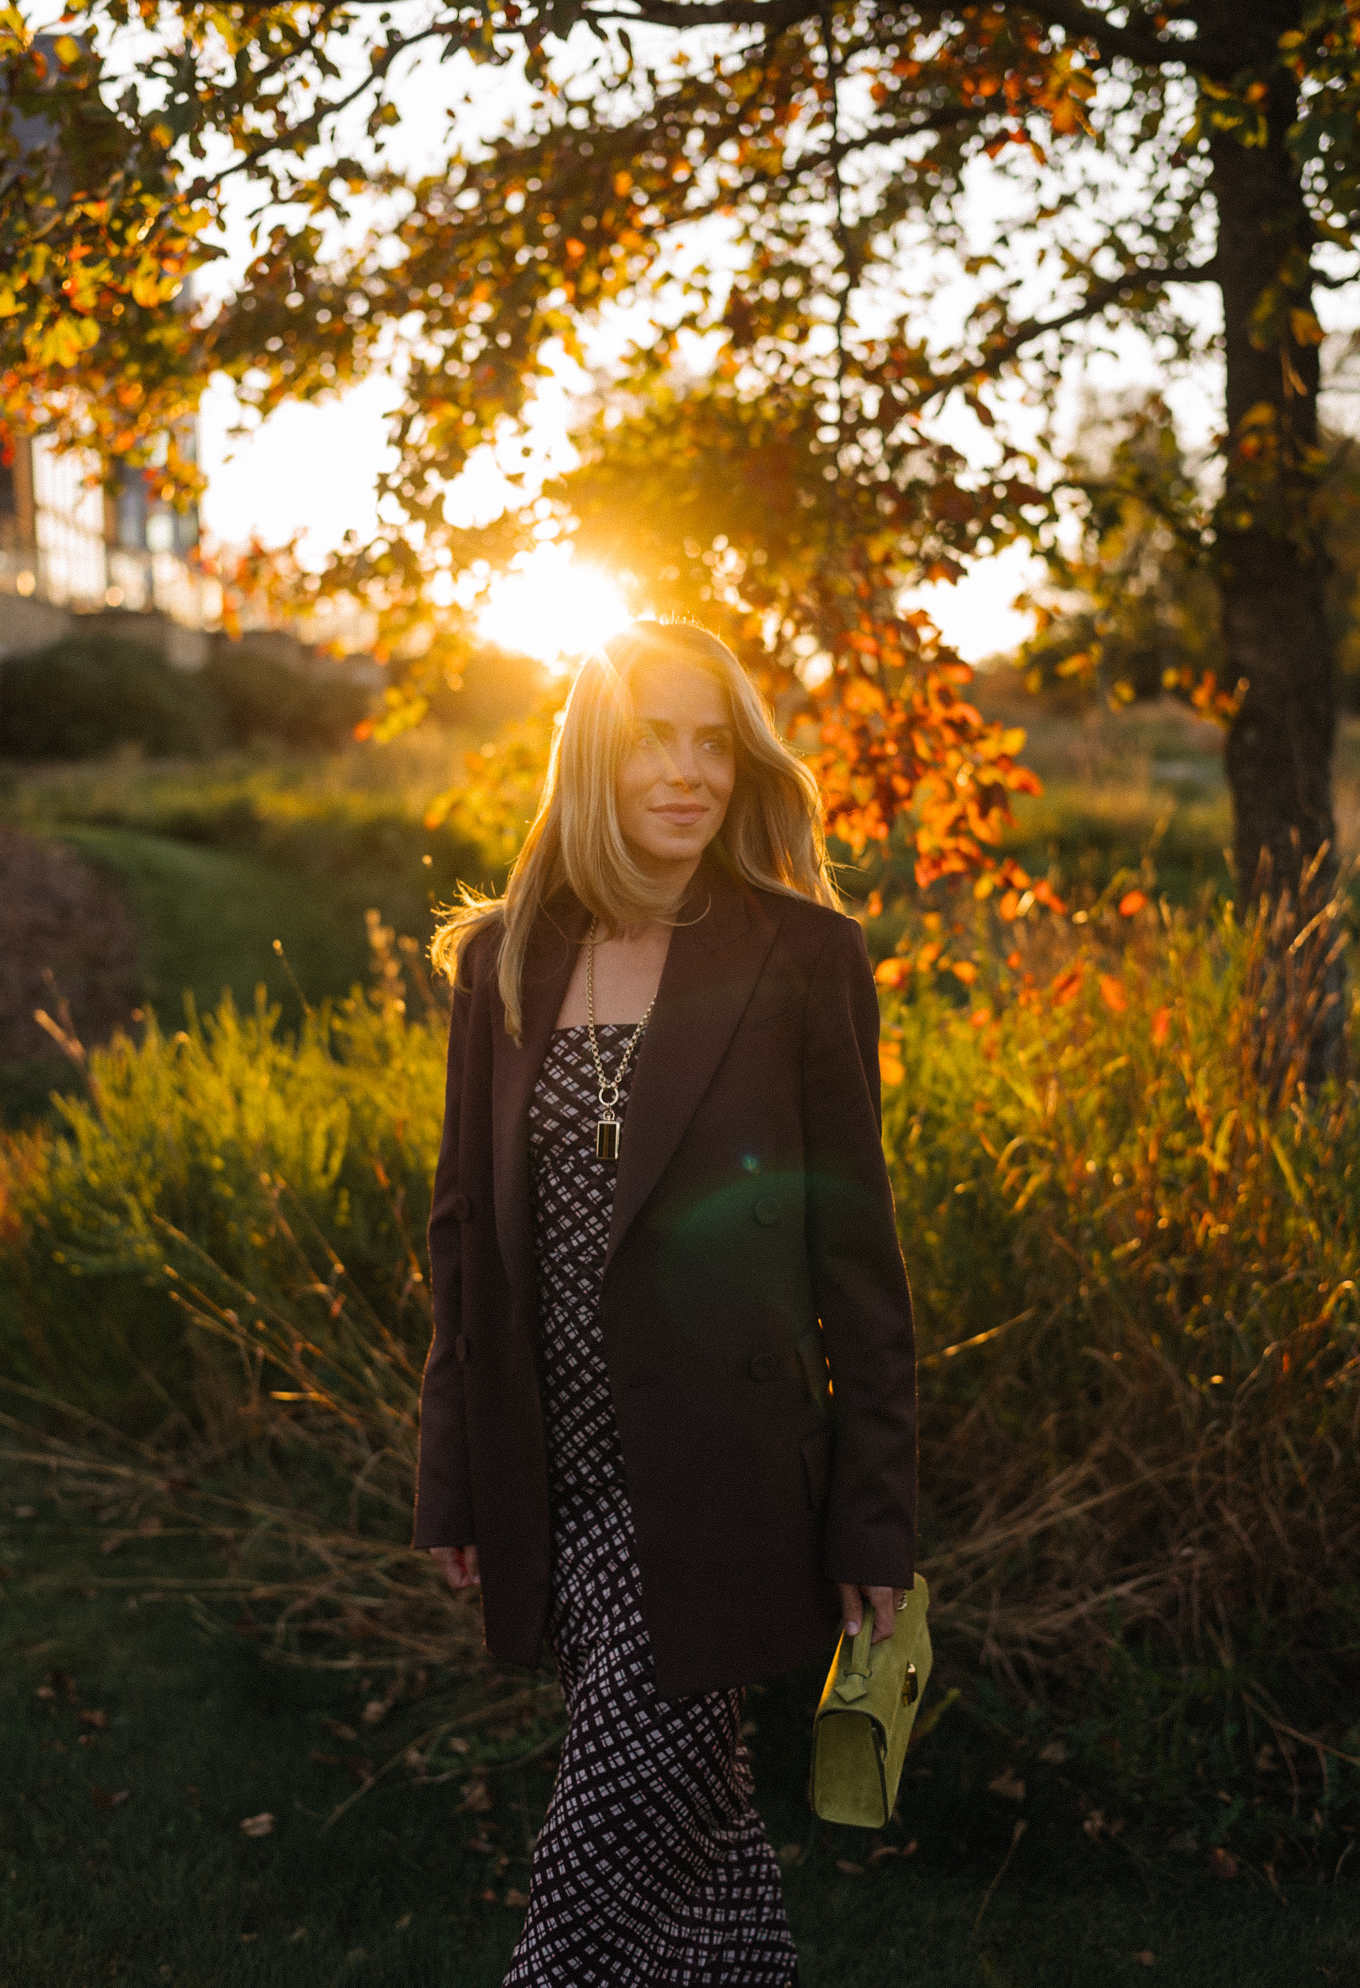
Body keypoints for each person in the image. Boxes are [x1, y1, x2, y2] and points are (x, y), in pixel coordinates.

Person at [413, 618, 917, 1987]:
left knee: (614, 1822)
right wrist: (454, 1472)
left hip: (722, 1472)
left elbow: (855, 1257)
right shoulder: (505, 960)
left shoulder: (801, 956)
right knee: (694, 1826)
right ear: (597, 753)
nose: (690, 772)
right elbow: (464, 1235)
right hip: (555, 1469)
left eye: (715, 743)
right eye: (657, 738)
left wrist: (876, 1510)